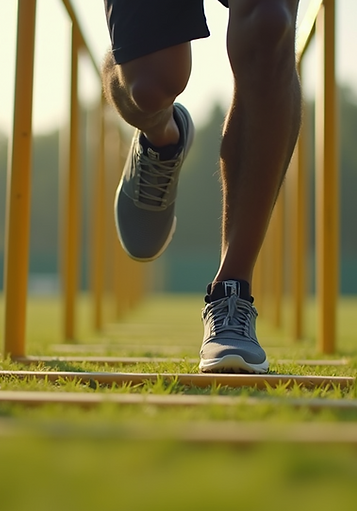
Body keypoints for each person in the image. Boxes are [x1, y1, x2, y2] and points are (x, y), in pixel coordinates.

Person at [102, 0, 301, 374]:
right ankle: (162, 137)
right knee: (147, 86)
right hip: (147, 89)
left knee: (270, 23)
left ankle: (232, 294)